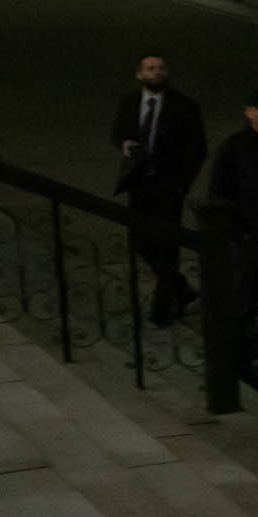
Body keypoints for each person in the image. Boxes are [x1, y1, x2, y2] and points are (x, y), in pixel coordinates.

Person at [110, 54, 208, 325]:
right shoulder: (130, 102)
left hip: (168, 187)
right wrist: (125, 144)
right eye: (150, 69)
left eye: (161, 68)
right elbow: (118, 132)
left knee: (167, 245)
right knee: (140, 241)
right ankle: (181, 289)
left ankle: (163, 307)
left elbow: (198, 148)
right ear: (140, 74)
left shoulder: (184, 106)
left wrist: (181, 184)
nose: (157, 72)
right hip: (139, 184)